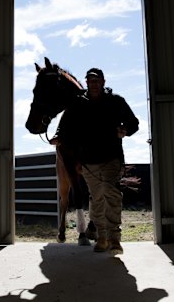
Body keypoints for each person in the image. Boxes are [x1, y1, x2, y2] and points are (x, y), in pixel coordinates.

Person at [54, 67, 139, 254]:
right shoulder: (78, 104)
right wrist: (59, 137)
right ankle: (101, 237)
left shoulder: (116, 101)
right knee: (97, 199)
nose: (94, 84)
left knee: (111, 194)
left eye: (97, 81)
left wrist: (125, 130)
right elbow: (66, 125)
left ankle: (114, 239)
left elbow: (134, 122)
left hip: (111, 158)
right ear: (86, 83)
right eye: (90, 81)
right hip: (89, 162)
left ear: (103, 82)